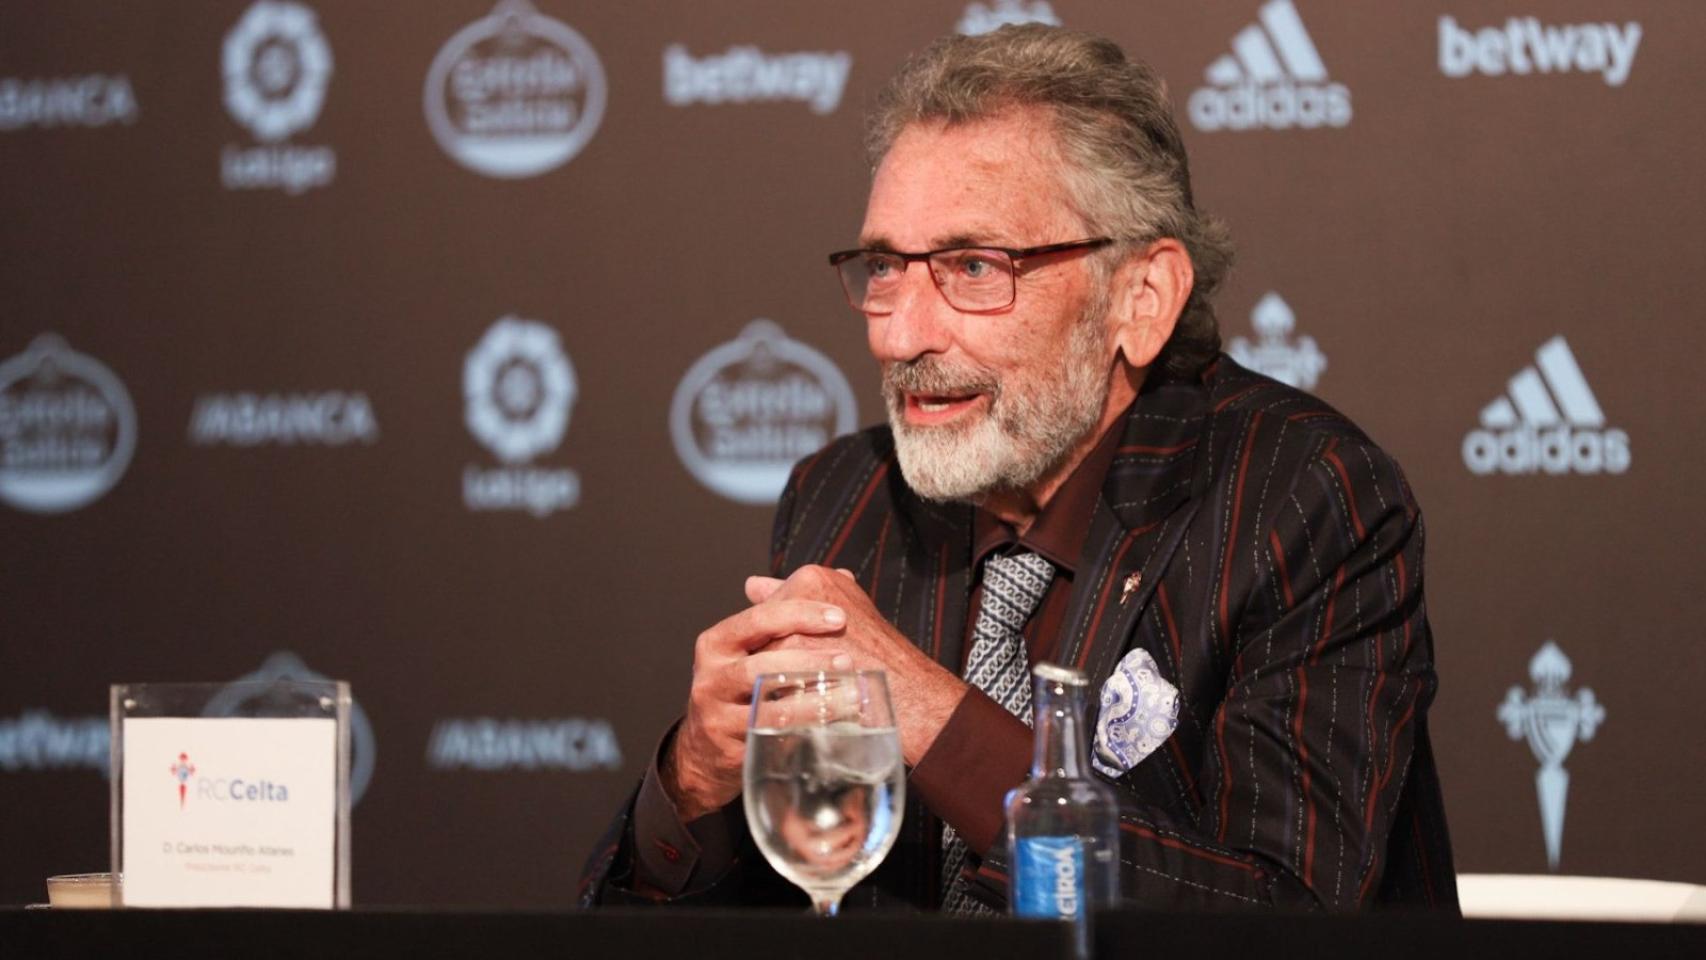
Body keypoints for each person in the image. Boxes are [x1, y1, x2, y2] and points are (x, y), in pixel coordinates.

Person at [580, 24, 1456, 913]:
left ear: (1141, 297)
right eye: (884, 267)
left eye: (972, 266)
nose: (900, 334)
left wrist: (927, 712)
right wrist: (693, 783)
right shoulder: (843, 498)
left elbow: (1286, 918)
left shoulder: (1303, 498)